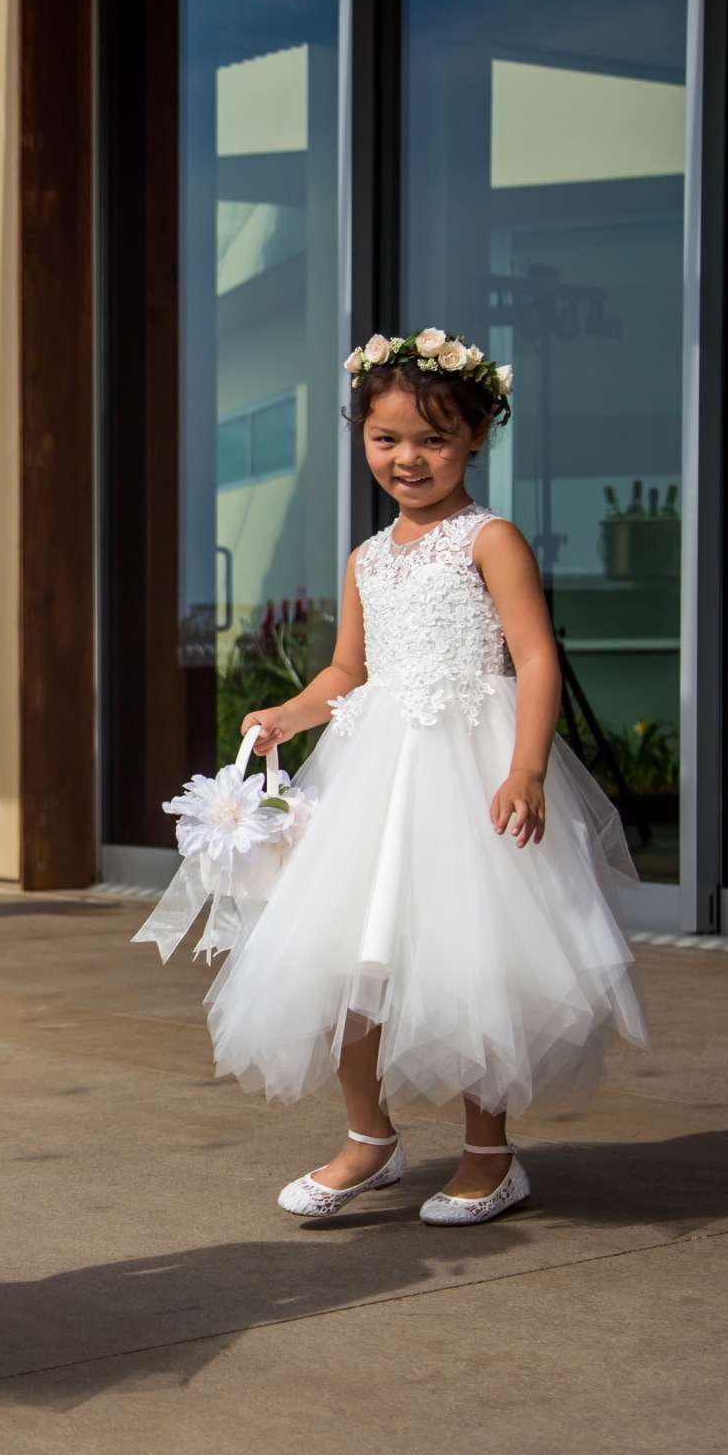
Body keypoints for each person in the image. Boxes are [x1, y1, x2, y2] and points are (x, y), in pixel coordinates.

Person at [150, 328, 647, 1226]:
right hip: (375, 771)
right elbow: (349, 670)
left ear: (475, 439)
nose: (409, 459)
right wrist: (289, 715)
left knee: (467, 956)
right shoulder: (367, 558)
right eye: (387, 440)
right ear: (361, 439)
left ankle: (490, 1155)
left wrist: (526, 768)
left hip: (468, 768)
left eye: (434, 440)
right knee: (349, 956)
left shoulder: (489, 541)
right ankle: (367, 1139)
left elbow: (535, 660)